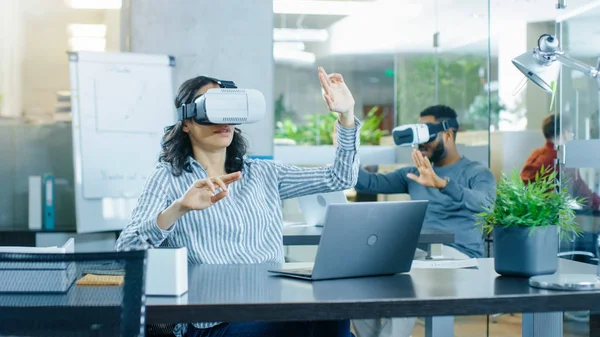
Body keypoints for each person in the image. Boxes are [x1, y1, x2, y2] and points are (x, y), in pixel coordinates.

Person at [116, 67, 360, 337]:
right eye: (212, 109)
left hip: (273, 306)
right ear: (186, 122)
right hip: (213, 321)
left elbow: (341, 177)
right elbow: (127, 250)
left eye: (229, 108)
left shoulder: (262, 172)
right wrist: (179, 208)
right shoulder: (168, 178)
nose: (223, 119)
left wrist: (346, 116)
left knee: (333, 316)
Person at [351, 105, 496, 337]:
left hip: (461, 259)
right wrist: (345, 150)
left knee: (406, 283)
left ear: (448, 134)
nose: (421, 142)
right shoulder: (413, 173)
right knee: (359, 276)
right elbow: (367, 183)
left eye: (427, 133)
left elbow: (486, 205)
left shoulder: (476, 172)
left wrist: (442, 184)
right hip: (417, 256)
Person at [521, 114, 600, 211]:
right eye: (571, 132)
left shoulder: (536, 154)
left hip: (530, 213)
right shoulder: (559, 158)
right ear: (565, 133)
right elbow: (580, 192)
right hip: (548, 216)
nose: (572, 135)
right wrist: (596, 202)